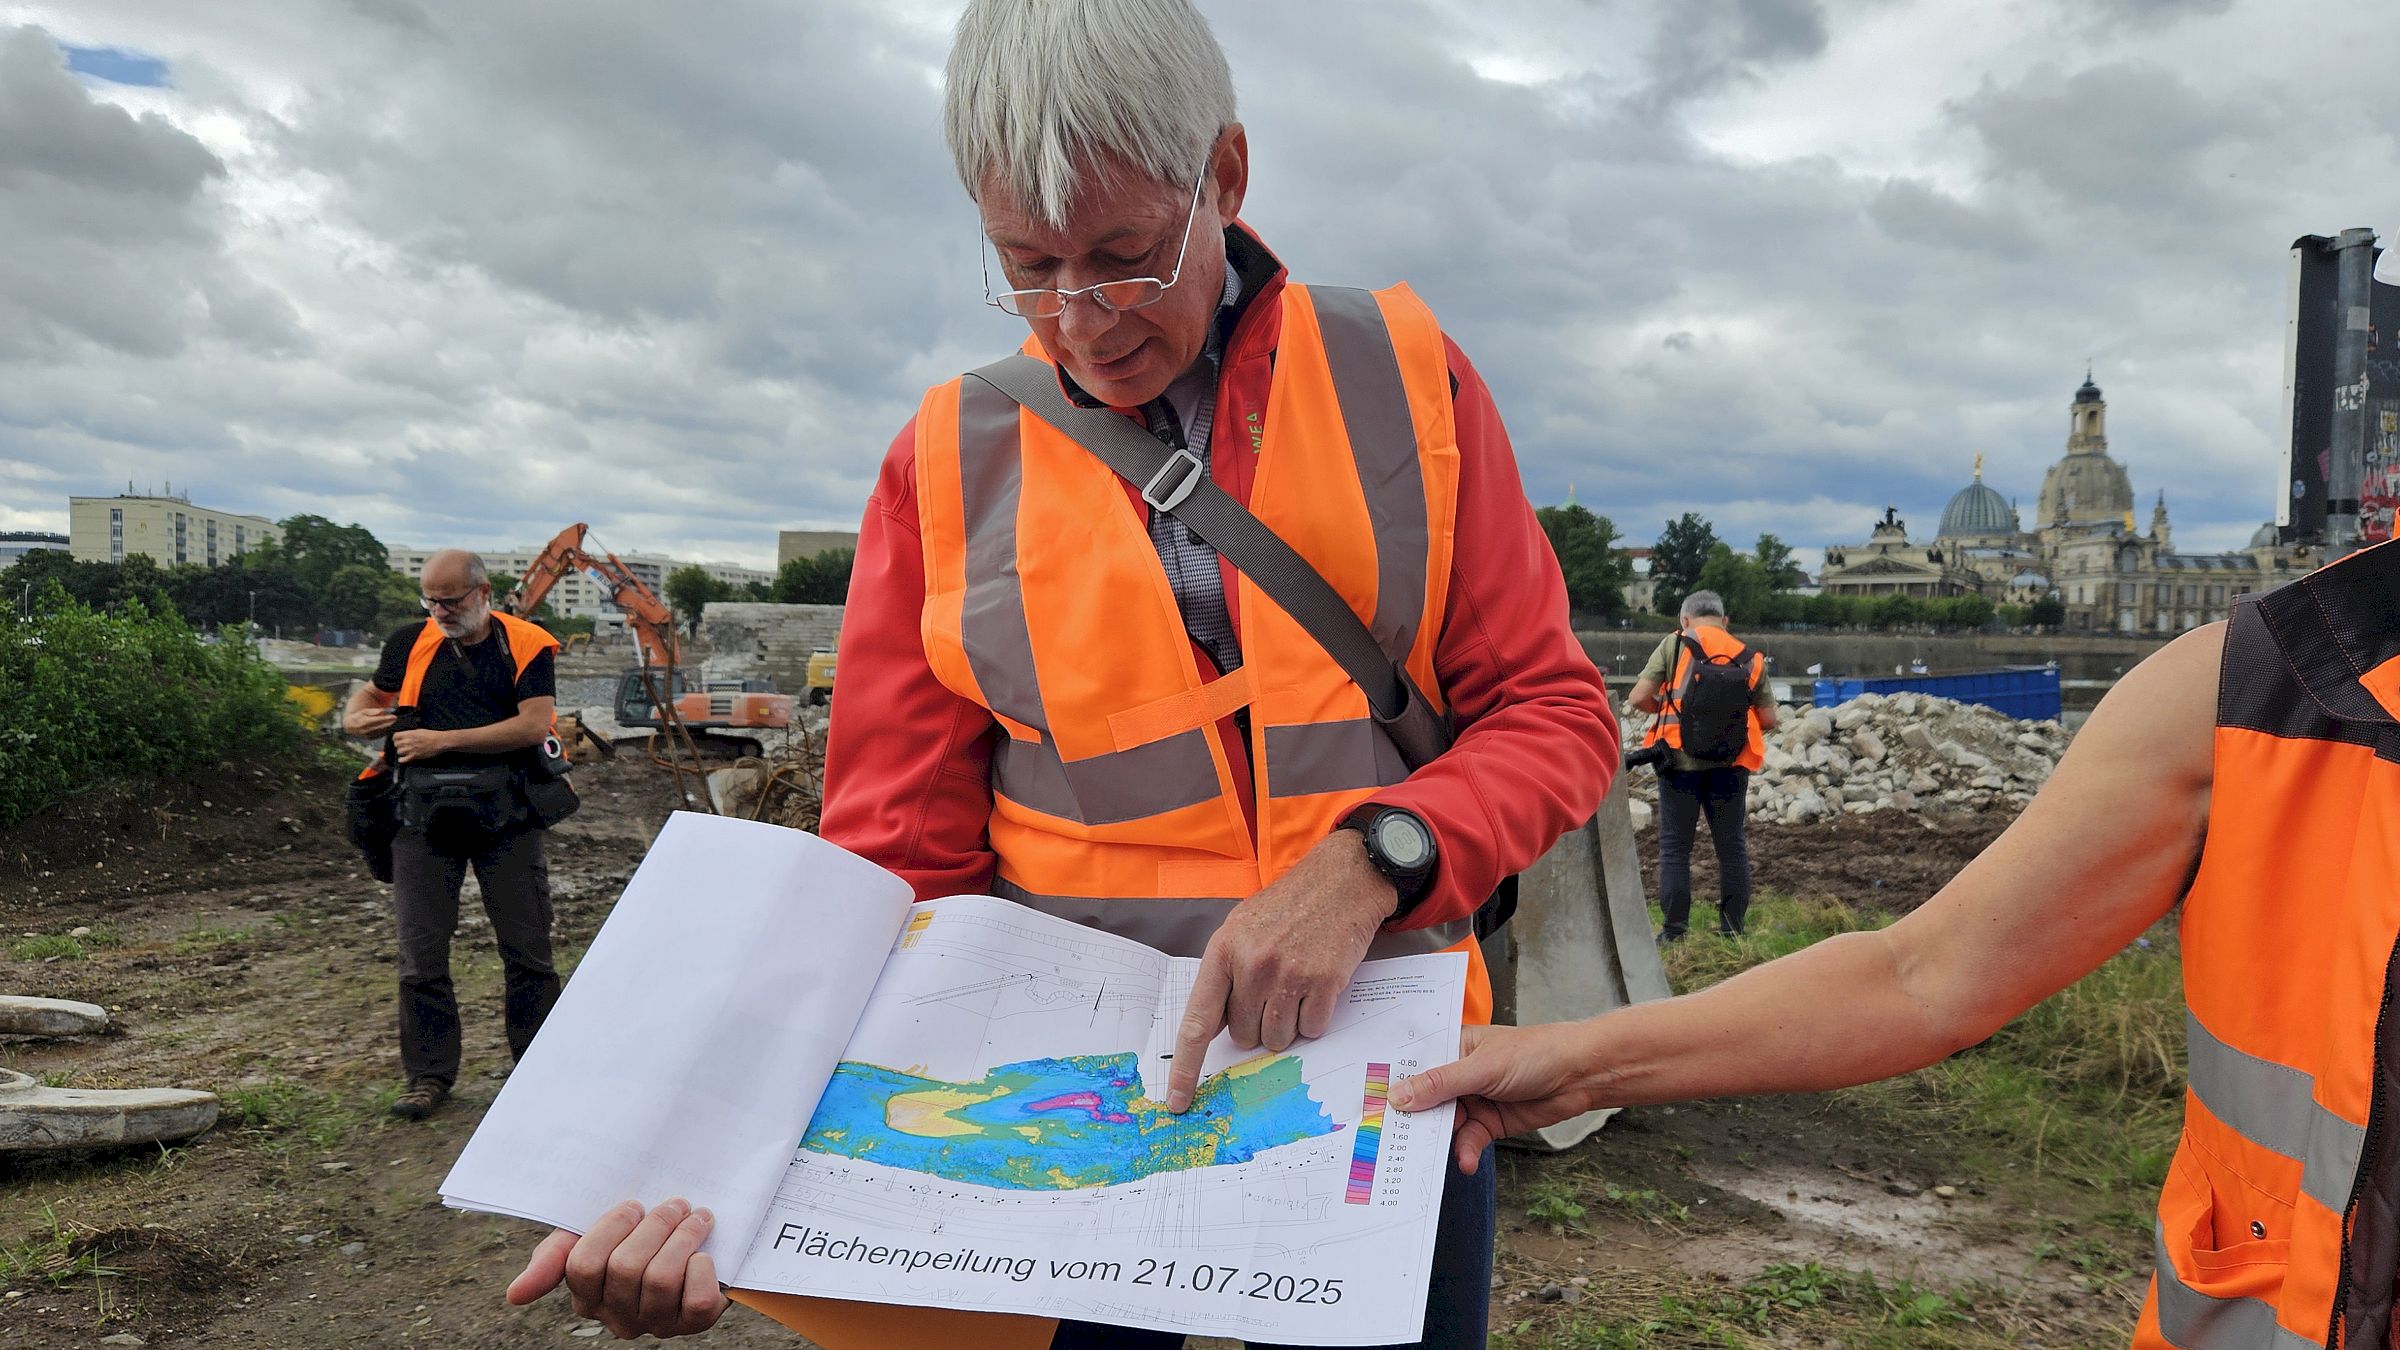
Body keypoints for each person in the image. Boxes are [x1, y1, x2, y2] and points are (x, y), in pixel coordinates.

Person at [504, 0, 1617, 1343]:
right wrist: (704, 1159)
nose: (1080, 320)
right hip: (1071, 1121)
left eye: (1125, 256)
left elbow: (1552, 713)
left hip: (1387, 1077)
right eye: (1024, 264)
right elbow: (889, 864)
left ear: (1225, 173)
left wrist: (1374, 856)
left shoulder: (1405, 376)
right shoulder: (947, 458)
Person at [1392, 541, 2400, 1349]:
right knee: (1725, 860)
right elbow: (1923, 977)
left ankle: (1707, 918)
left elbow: (1917, 978)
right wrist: (1576, 1061)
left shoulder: (2263, 682)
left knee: (1685, 867)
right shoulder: (2251, 686)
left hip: (1687, 769)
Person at [342, 549, 564, 1122]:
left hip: (507, 817)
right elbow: (367, 699)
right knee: (420, 956)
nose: (439, 611)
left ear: (482, 592)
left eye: (451, 600)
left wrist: (440, 741)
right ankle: (428, 1076)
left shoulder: (527, 643)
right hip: (421, 820)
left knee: (528, 950)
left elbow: (534, 724)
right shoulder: (407, 642)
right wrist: (355, 716)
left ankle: (541, 1070)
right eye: (430, 600)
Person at [1626, 590, 1777, 939]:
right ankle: (1732, 931)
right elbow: (1769, 718)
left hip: (1678, 762)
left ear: (1685, 619)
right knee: (1731, 847)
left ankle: (1674, 932)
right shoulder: (1751, 657)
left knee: (1676, 847)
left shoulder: (1675, 644)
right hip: (1731, 764)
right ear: (1725, 621)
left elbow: (1637, 697)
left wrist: (1664, 707)